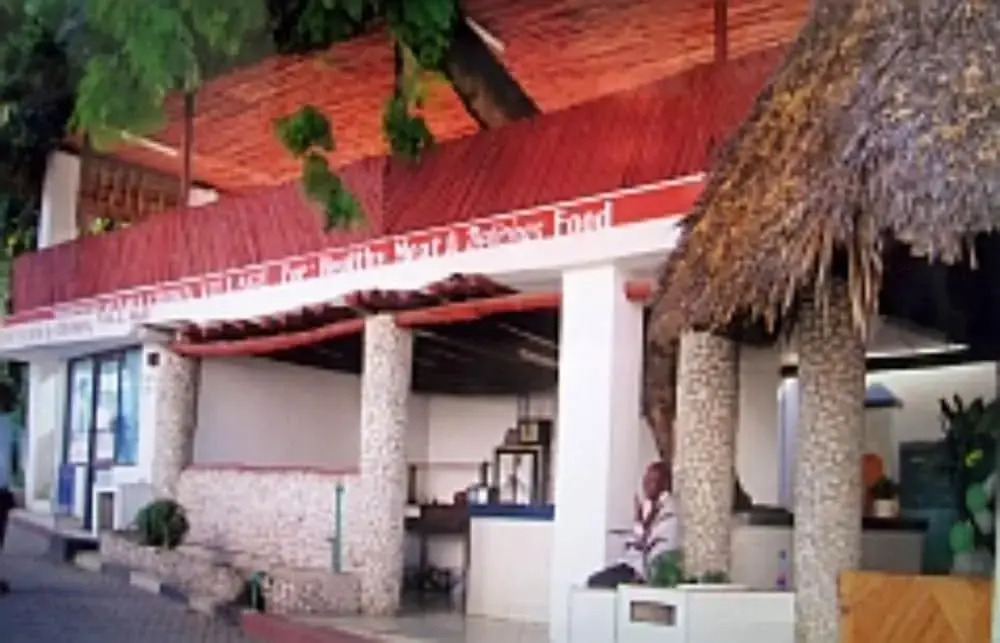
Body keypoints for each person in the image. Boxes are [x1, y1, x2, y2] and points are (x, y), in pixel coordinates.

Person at [586, 461, 680, 587]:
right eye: (645, 481)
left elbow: (653, 544)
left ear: (664, 484)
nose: (646, 485)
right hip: (632, 564)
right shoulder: (649, 508)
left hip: (645, 570)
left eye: (652, 481)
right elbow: (635, 542)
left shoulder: (668, 511)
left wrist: (642, 522)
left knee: (598, 582)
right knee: (595, 581)